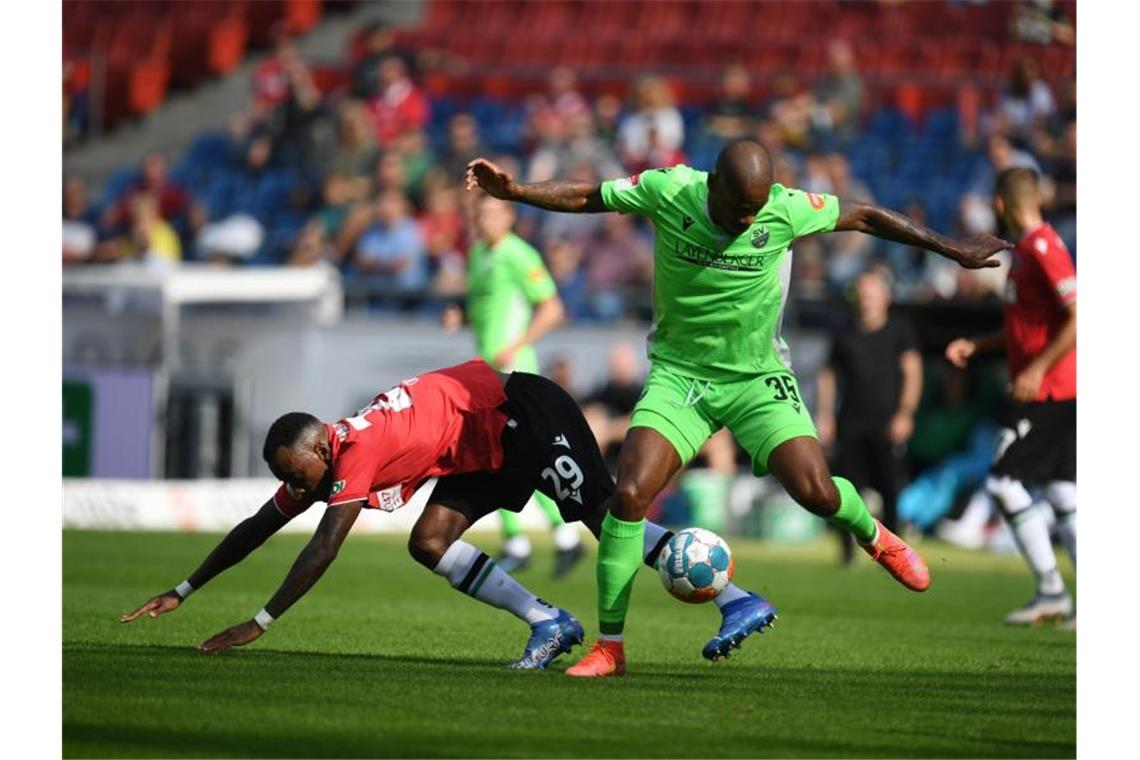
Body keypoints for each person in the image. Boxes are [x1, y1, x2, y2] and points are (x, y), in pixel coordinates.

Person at [466, 138, 1009, 676]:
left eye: (757, 208)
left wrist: (953, 247)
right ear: (713, 187)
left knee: (816, 491)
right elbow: (589, 197)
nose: (750, 220)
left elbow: (865, 216)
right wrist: (517, 192)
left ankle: (874, 535)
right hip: (682, 377)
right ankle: (610, 648)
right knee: (627, 496)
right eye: (739, 209)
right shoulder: (670, 189)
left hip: (757, 377)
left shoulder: (786, 207)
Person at [120, 359, 775, 672]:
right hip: (483, 447)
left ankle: (736, 598)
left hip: (524, 411)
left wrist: (259, 623)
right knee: (429, 541)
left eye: (297, 475)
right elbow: (258, 525)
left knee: (605, 520)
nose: (297, 487)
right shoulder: (327, 455)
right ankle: (548, 621)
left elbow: (322, 547)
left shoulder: (357, 451)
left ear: (320, 446)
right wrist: (184, 590)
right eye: (292, 481)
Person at [945, 167, 1076, 627]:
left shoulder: (1043, 247)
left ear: (1000, 203)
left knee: (1003, 482)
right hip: (1048, 387)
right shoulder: (1024, 253)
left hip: (1049, 390)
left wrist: (1038, 369)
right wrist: (978, 346)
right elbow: (1027, 329)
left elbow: (1078, 316)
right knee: (1062, 491)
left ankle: (1052, 590)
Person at [442, 195, 583, 576]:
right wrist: (462, 316)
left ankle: (550, 537)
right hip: (485, 375)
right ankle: (532, 540)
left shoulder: (518, 254)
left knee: (515, 455)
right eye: (480, 212)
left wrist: (516, 347)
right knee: (500, 455)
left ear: (509, 217)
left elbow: (553, 309)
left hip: (515, 372)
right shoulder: (478, 255)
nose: (484, 219)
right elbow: (486, 311)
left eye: (492, 212)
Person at [816, 269, 922, 564]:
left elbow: (913, 372)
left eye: (871, 293)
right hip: (851, 420)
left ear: (885, 298)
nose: (866, 299)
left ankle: (895, 554)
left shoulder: (900, 331)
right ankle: (848, 552)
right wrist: (825, 416)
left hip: (887, 420)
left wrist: (905, 413)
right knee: (845, 487)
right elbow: (828, 376)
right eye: (862, 293)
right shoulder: (844, 333)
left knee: (890, 487)